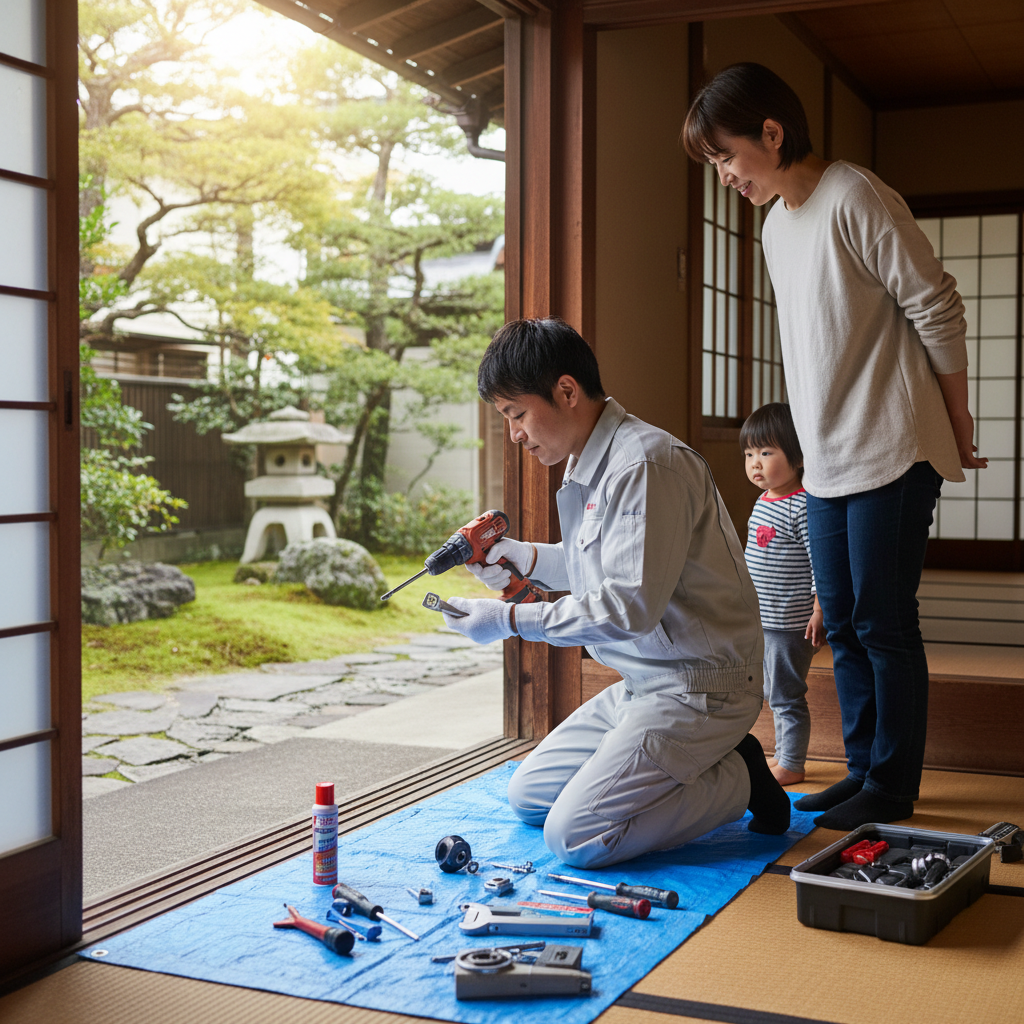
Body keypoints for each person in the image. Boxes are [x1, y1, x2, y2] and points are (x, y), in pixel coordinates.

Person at [682, 62, 987, 831]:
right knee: (842, 622)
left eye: (726, 156)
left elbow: (936, 304)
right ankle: (862, 773)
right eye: (714, 163)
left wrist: (960, 420)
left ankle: (894, 783)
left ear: (772, 133)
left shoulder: (855, 195)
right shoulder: (776, 225)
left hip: (892, 443)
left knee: (884, 620)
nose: (724, 176)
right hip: (826, 458)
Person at [440, 316, 790, 870]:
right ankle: (692, 764)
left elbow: (628, 606)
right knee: (528, 798)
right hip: (644, 682)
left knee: (575, 837)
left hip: (703, 686)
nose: (515, 434)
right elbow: (595, 566)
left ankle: (738, 780)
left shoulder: (646, 463)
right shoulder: (587, 459)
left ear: (566, 391)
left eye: (517, 414)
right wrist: (523, 556)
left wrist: (508, 621)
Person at [740, 402, 824, 787]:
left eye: (766, 452)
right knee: (772, 690)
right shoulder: (763, 502)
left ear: (799, 456)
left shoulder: (804, 505)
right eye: (749, 454)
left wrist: (820, 609)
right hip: (763, 619)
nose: (755, 463)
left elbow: (821, 562)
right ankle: (781, 755)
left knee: (786, 693)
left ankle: (791, 763)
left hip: (791, 622)